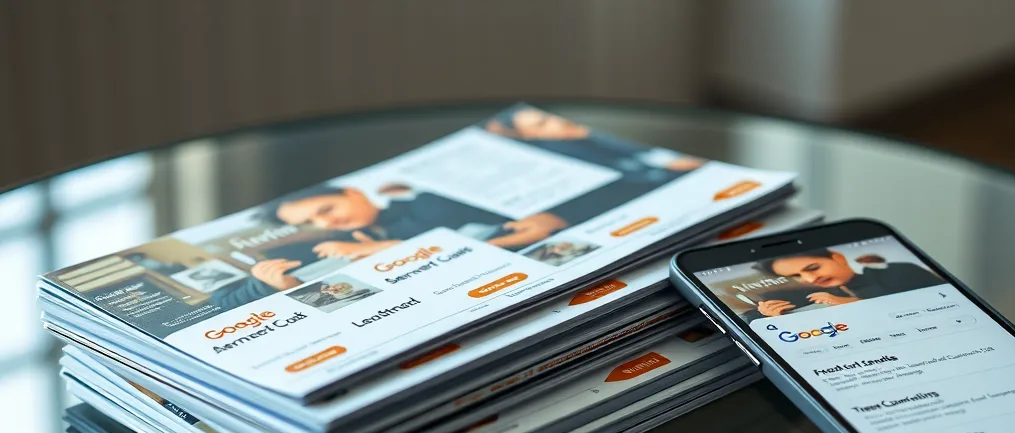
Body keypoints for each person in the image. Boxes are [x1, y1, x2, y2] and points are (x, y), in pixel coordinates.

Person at [208, 184, 567, 307]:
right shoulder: (324, 248)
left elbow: (539, 225)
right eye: (311, 223)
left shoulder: (428, 204)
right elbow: (219, 299)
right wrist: (268, 285)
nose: (324, 223)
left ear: (353, 192)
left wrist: (388, 249)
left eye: (326, 209)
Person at [485, 107, 706, 224]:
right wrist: (669, 168)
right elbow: (634, 177)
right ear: (530, 136)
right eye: (542, 123)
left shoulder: (585, 137)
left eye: (549, 117)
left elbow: (639, 153)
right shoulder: (565, 155)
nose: (558, 122)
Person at [742, 248, 943, 320]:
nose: (810, 279)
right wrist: (768, 316)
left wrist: (850, 303)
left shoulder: (900, 271)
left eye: (813, 268)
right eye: (796, 275)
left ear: (837, 257)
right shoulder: (813, 293)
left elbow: (939, 305)